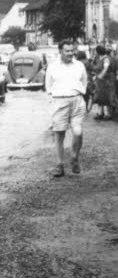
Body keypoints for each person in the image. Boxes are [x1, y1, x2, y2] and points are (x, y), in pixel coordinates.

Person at [44, 39, 88, 177]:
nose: (70, 53)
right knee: (59, 134)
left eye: (72, 50)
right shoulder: (53, 66)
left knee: (78, 132)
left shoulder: (79, 65)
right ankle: (59, 165)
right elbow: (48, 85)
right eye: (67, 51)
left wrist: (79, 94)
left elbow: (84, 82)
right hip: (59, 101)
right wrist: (56, 98)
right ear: (60, 52)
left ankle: (74, 156)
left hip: (77, 100)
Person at [93, 45, 117, 120]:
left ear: (98, 51)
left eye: (95, 51)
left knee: (106, 97)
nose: (95, 52)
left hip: (106, 80)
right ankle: (100, 113)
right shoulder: (98, 58)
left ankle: (107, 114)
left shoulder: (106, 59)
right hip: (100, 81)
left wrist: (101, 75)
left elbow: (106, 68)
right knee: (99, 97)